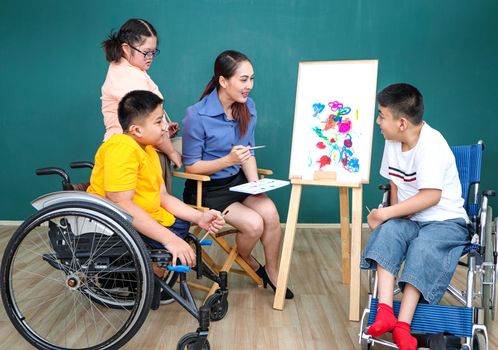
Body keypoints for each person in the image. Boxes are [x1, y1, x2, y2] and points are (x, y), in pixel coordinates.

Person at [360, 83, 469, 350]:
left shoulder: (432, 145)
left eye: (382, 116)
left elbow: (431, 196)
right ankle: (385, 311)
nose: (378, 121)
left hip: (445, 221)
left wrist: (384, 212)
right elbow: (396, 182)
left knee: (424, 246)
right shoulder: (392, 140)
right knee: (389, 232)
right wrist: (393, 219)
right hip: (412, 217)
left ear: (402, 123)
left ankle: (403, 325)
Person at [181, 50, 293, 299]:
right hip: (207, 189)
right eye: (243, 80)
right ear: (223, 81)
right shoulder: (196, 115)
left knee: (271, 214)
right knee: (254, 224)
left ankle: (272, 271)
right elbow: (191, 167)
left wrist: (255, 185)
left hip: (238, 183)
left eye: (252, 79)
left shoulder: (247, 107)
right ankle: (247, 260)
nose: (249, 86)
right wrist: (227, 160)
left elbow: (248, 152)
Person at [87, 90, 225, 271]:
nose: (165, 127)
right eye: (159, 121)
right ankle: (149, 276)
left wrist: (199, 217)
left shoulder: (148, 150)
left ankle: (155, 273)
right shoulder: (121, 147)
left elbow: (163, 197)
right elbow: (121, 204)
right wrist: (171, 240)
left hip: (148, 217)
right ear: (137, 129)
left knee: (180, 224)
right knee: (175, 233)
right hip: (114, 224)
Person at [100, 18, 182, 183]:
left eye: (153, 52)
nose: (150, 57)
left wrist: (163, 126)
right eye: (146, 52)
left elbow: (146, 121)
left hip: (142, 151)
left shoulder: (132, 70)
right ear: (125, 48)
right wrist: (173, 153)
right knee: (149, 206)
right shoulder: (127, 76)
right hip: (132, 155)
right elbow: (144, 126)